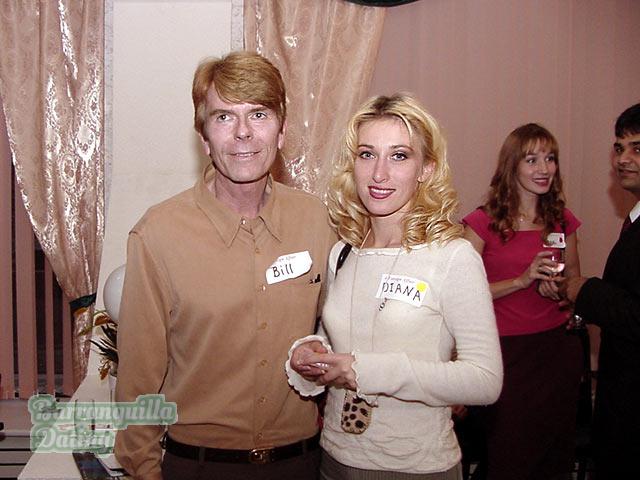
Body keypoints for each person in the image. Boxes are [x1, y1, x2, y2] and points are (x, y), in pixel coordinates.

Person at [114, 51, 335, 480]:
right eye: (223, 117)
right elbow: (139, 376)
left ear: (282, 131)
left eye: (259, 114)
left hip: (300, 463)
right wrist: (143, 470)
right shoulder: (158, 234)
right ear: (204, 138)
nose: (243, 133)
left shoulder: (317, 221)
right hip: (198, 466)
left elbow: (345, 328)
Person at [286, 93, 503, 479]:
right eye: (367, 154)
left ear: (426, 169)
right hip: (334, 459)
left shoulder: (452, 256)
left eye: (399, 156)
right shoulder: (343, 252)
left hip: (415, 466)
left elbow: (485, 381)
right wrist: (311, 355)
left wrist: (366, 371)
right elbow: (336, 342)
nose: (379, 174)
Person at [462, 123, 584, 480]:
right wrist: (521, 281)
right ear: (511, 165)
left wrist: (557, 289)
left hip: (555, 350)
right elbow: (460, 295)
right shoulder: (482, 222)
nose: (544, 169)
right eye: (532, 160)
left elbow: (574, 284)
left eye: (550, 158)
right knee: (510, 455)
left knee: (554, 457)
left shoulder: (562, 220)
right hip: (505, 353)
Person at [564, 103, 640, 479]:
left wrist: (584, 290)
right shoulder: (634, 219)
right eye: (619, 148)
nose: (623, 159)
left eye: (637, 149)